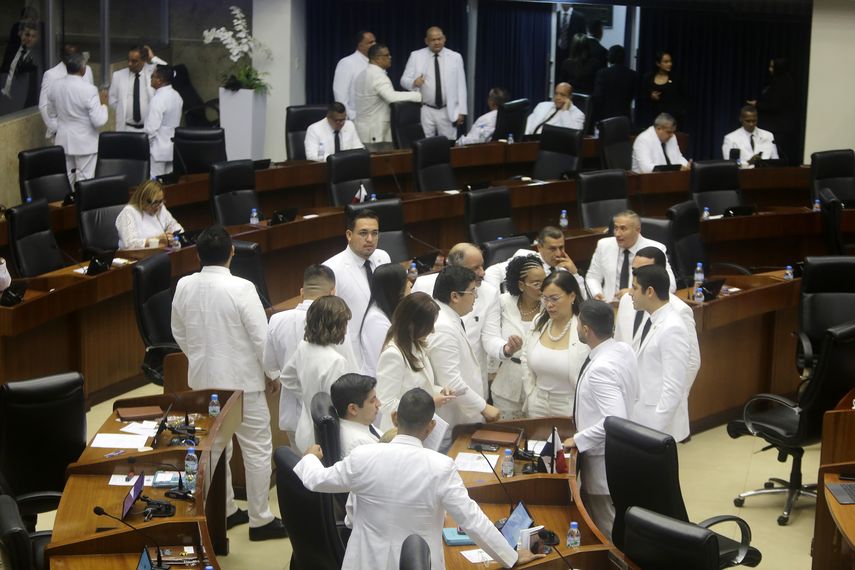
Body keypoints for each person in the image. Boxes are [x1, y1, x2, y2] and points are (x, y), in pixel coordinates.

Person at [294, 388, 534, 570]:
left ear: (396, 418)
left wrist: (309, 458)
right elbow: (472, 521)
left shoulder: (362, 456)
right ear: (430, 427)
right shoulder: (440, 467)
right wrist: (510, 557)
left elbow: (317, 480)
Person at [171, 225, 286, 541]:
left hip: (203, 384)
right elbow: (261, 338)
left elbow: (178, 331)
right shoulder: (242, 288)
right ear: (232, 253)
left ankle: (223, 511)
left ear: (197, 254)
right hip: (243, 386)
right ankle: (260, 519)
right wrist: (273, 374)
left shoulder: (183, 285)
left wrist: (198, 357)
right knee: (257, 450)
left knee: (214, 449)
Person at [563, 300, 638, 541]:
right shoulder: (622, 350)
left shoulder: (600, 369)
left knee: (605, 526)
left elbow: (614, 419)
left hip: (602, 459)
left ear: (586, 330)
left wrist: (578, 438)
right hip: (622, 454)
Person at [264, 265, 356, 451]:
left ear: (301, 292)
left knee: (299, 472)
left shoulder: (277, 320)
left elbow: (271, 366)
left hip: (293, 418)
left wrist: (306, 392)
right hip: (329, 421)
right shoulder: (336, 324)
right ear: (333, 293)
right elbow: (351, 378)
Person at [413, 243, 519, 395]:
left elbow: (490, 337)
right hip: (433, 378)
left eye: (482, 266)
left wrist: (505, 348)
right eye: (475, 268)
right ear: (454, 268)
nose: (482, 273)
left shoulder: (489, 292)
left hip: (471, 379)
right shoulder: (423, 286)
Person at [614, 247, 699, 391]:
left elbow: (692, 362)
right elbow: (618, 347)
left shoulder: (679, 310)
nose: (637, 275)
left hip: (661, 400)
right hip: (629, 397)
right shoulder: (627, 301)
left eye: (643, 270)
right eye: (634, 270)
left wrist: (672, 400)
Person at [427, 266, 501, 431]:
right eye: (472, 291)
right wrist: (483, 406)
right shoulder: (443, 327)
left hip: (461, 415)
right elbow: (450, 380)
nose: (475, 297)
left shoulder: (448, 318)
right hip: (452, 419)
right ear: (454, 296)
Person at [280, 295, 356, 453]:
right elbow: (337, 407)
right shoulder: (336, 361)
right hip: (327, 440)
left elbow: (286, 377)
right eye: (345, 323)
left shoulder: (304, 347)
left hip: (305, 430)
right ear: (336, 326)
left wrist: (308, 394)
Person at [628, 264, 693, 442]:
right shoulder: (653, 318)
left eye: (634, 288)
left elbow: (674, 387)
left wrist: (655, 429)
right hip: (642, 417)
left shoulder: (672, 327)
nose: (630, 293)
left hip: (656, 425)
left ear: (650, 291)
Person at [376, 292, 455, 432]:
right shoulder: (393, 355)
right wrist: (428, 404)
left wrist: (439, 390)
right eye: (429, 325)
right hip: (399, 430)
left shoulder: (415, 344)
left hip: (420, 427)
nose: (432, 330)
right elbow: (385, 403)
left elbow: (422, 386)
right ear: (412, 324)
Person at [323, 209, 392, 358]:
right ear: (349, 235)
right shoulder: (332, 269)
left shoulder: (383, 257)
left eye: (375, 233)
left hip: (386, 346)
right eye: (363, 233)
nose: (370, 239)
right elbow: (327, 319)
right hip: (353, 354)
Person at [521, 270, 589, 418]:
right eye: (545, 298)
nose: (549, 305)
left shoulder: (585, 328)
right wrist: (531, 393)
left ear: (572, 296)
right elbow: (525, 358)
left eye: (554, 298)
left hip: (570, 405)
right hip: (537, 403)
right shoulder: (539, 321)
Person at [492, 255, 545, 418]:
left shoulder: (550, 305)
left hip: (541, 384)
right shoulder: (503, 302)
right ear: (521, 285)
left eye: (545, 281)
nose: (543, 287)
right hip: (507, 383)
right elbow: (490, 335)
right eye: (537, 284)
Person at [585, 210, 676, 303]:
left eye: (623, 229)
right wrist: (596, 293)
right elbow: (593, 277)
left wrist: (634, 292)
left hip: (640, 308)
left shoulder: (655, 249)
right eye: (615, 228)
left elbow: (670, 286)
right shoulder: (604, 245)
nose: (617, 234)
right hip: (609, 306)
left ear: (637, 230)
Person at [47, 52, 108, 184]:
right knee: (85, 180)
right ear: (83, 69)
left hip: (63, 140)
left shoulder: (55, 86)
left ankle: (68, 204)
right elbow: (99, 121)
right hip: (85, 143)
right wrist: (103, 105)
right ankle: (81, 205)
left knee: (66, 179)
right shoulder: (89, 90)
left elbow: (51, 113)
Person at [401, 26, 467, 140]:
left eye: (439, 39)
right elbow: (403, 80)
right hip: (425, 109)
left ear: (444, 39)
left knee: (448, 144)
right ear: (426, 41)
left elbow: (461, 85)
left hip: (447, 109)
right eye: (433, 40)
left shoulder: (455, 57)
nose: (437, 42)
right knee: (424, 143)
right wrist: (414, 82)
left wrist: (461, 111)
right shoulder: (416, 56)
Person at [484, 225, 587, 295]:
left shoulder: (564, 268)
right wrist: (498, 303)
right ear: (539, 247)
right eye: (552, 249)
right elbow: (491, 273)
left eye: (561, 247)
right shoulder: (526, 258)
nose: (558, 254)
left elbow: (582, 299)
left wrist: (575, 273)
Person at [353, 43, 422, 144]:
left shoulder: (362, 74)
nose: (390, 57)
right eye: (386, 55)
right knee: (382, 159)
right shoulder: (378, 76)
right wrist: (418, 95)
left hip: (363, 130)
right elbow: (392, 97)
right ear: (377, 58)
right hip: (376, 132)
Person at [358, 263, 410, 377]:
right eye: (405, 282)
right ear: (394, 288)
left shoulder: (387, 310)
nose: (410, 285)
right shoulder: (377, 321)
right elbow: (386, 361)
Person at [747, 57, 797, 165]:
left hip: (779, 128)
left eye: (772, 67)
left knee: (776, 156)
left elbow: (775, 105)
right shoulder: (781, 80)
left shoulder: (783, 83)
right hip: (779, 126)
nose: (770, 69)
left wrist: (757, 104)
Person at [39, 44, 93, 139]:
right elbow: (44, 106)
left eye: (75, 55)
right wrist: (57, 129)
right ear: (62, 56)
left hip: (85, 133)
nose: (72, 58)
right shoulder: (51, 75)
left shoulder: (87, 70)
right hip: (63, 134)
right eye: (69, 55)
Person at [115, 179, 183, 249]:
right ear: (142, 200)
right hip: (135, 256)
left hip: (159, 253)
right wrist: (157, 239)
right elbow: (130, 244)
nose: (158, 206)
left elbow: (174, 225)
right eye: (155, 202)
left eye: (161, 201)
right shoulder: (129, 213)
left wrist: (172, 235)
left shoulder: (160, 207)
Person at [145, 65, 183, 177]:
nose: (150, 79)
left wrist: (147, 146)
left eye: (152, 76)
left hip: (157, 150)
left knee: (155, 186)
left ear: (159, 80)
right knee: (169, 184)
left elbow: (151, 129)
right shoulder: (177, 96)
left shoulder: (158, 100)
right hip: (172, 149)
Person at [331, 373, 381, 457]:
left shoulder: (361, 422)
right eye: (372, 401)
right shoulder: (358, 444)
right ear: (353, 409)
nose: (379, 404)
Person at [107, 45, 155, 133]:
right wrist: (122, 108)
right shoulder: (118, 76)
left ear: (143, 60)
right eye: (128, 60)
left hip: (148, 128)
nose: (129, 64)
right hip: (126, 128)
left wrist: (153, 58)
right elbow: (112, 99)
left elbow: (171, 73)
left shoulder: (152, 73)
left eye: (134, 61)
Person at [333, 31, 376, 120]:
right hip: (356, 118)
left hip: (375, 117)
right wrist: (351, 117)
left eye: (375, 41)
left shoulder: (377, 62)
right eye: (370, 42)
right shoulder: (347, 62)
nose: (374, 44)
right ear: (360, 45)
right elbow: (340, 95)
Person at [591, 45, 638, 124]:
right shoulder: (633, 74)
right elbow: (634, 94)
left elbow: (598, 96)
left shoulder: (602, 73)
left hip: (606, 116)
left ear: (609, 58)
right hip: (624, 115)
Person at [641, 51, 687, 129]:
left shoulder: (676, 79)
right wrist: (651, 96)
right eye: (666, 62)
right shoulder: (648, 78)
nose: (670, 64)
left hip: (672, 120)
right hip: (654, 119)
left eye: (670, 61)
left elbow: (683, 98)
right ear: (658, 63)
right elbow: (642, 96)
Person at [0, 21, 40, 110]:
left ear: (37, 39)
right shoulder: (12, 50)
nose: (29, 39)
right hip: (4, 96)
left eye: (33, 36)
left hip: (22, 102)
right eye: (27, 35)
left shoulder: (36, 57)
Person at [555, 3, 587, 85]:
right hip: (557, 54)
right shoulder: (555, 15)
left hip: (573, 56)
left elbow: (583, 39)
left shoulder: (580, 17)